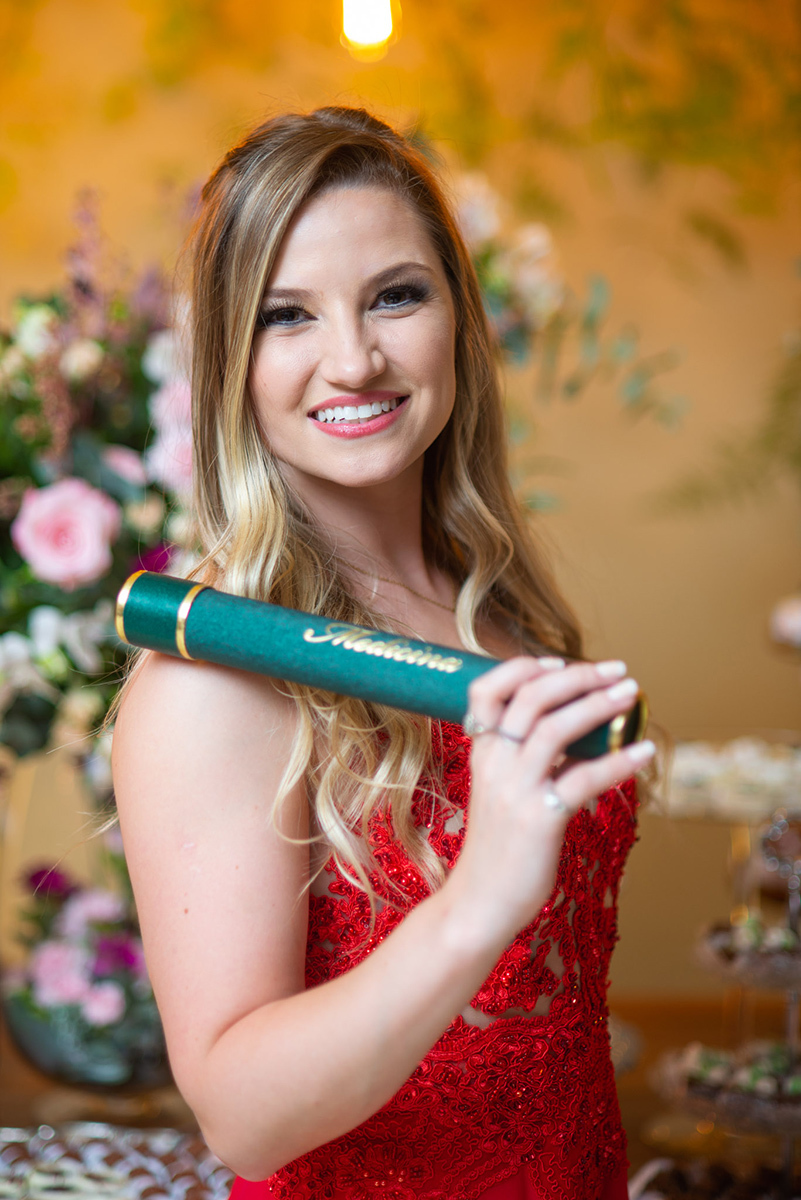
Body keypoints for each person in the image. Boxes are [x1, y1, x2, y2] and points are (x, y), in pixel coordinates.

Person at [111, 106, 656, 1200]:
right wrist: (475, 902)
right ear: (231, 361)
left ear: (457, 316)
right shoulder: (216, 680)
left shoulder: (500, 608)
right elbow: (241, 1120)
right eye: (286, 316)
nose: (353, 360)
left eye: (395, 295)